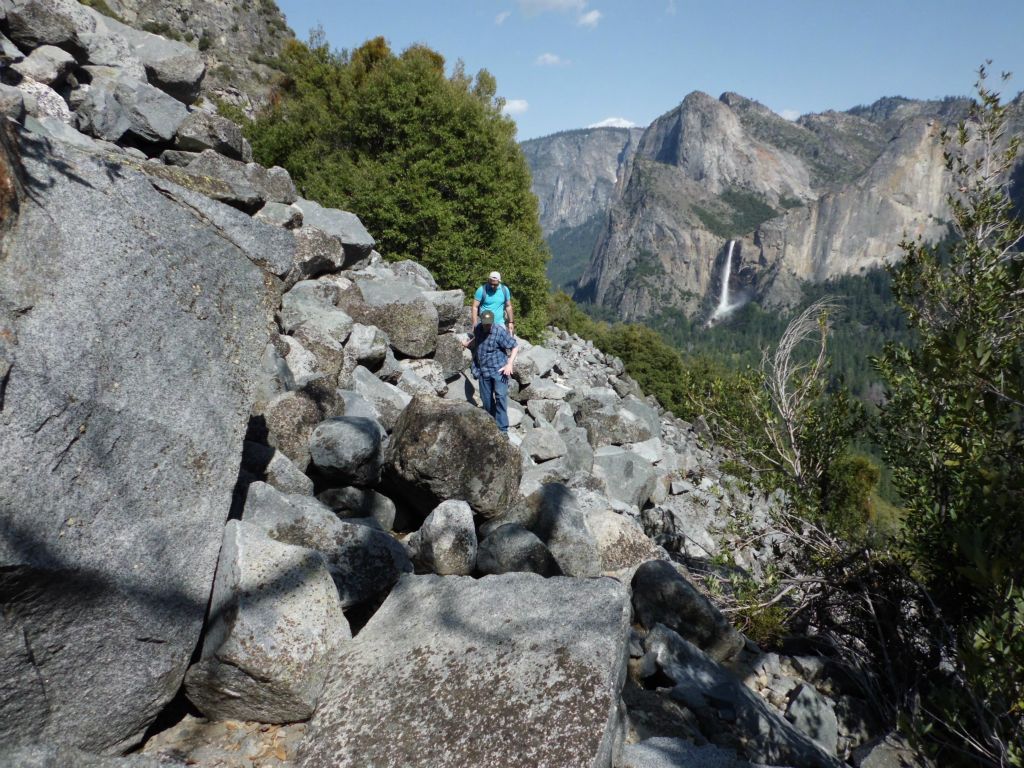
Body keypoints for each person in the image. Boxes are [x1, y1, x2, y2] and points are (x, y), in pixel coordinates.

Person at [462, 309, 518, 433]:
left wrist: (509, 364)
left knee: (500, 398)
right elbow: (477, 339)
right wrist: (468, 344)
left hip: (499, 370)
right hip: (483, 370)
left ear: (492, 321)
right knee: (486, 400)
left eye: (489, 323)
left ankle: (503, 430)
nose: (487, 325)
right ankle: (492, 424)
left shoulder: (499, 331)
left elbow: (514, 346)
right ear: (481, 321)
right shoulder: (478, 328)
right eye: (485, 323)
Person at [472, 271, 515, 336]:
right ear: (488, 280)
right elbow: (475, 307)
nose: (492, 286)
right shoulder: (481, 290)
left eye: (495, 285)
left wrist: (511, 322)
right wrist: (474, 323)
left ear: (499, 282)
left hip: (499, 323)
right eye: (491, 283)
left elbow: (508, 306)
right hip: (485, 324)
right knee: (482, 344)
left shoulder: (504, 290)